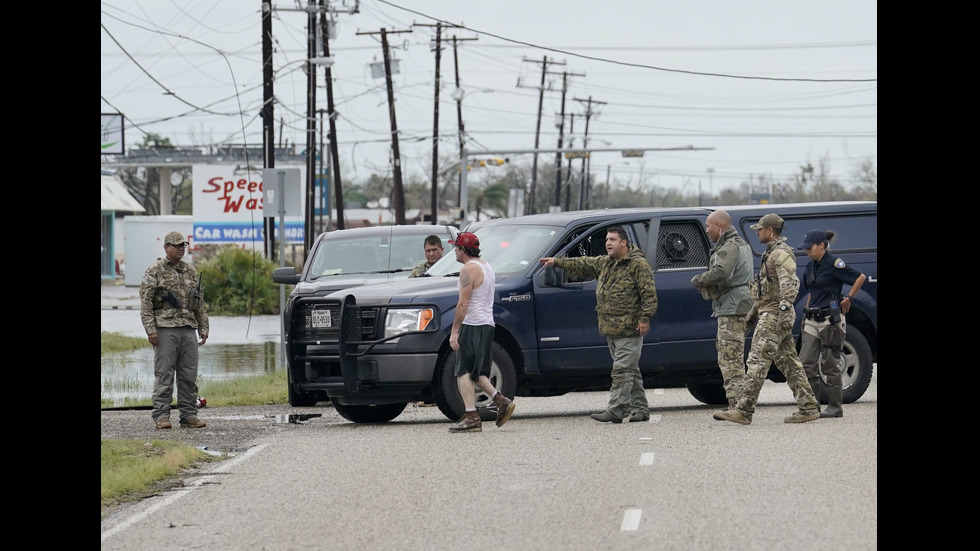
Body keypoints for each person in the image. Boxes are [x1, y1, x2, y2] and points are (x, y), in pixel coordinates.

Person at [539, 226, 658, 423]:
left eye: (612, 239)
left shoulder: (638, 265)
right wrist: (557, 262)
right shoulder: (606, 263)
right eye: (606, 240)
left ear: (624, 242)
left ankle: (616, 409)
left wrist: (645, 318)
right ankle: (640, 409)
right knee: (630, 369)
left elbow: (649, 295)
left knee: (621, 370)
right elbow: (583, 263)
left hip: (630, 328)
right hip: (611, 329)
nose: (608, 243)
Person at [715, 213, 820, 425]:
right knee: (789, 362)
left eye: (760, 229)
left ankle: (743, 410)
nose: (758, 233)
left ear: (770, 231)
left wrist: (782, 309)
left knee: (756, 361)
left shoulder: (780, 253)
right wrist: (754, 311)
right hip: (769, 312)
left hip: (775, 316)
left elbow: (790, 283)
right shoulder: (770, 253)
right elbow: (767, 290)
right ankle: (808, 406)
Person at [139, 231, 210, 430]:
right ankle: (162, 416)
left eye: (183, 245)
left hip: (188, 328)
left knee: (188, 375)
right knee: (165, 374)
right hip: (164, 329)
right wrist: (150, 330)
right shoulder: (155, 270)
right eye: (176, 245)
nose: (180, 248)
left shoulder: (190, 271)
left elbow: (199, 302)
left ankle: (188, 415)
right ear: (166, 247)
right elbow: (145, 303)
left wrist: (203, 327)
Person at [446, 232, 515, 432]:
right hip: (487, 323)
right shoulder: (486, 266)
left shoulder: (468, 270)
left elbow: (463, 304)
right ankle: (501, 401)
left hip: (472, 324)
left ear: (463, 249)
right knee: (477, 373)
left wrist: (455, 331)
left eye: (456, 247)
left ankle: (471, 417)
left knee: (462, 372)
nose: (454, 251)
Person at [798, 229, 867, 418]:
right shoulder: (811, 266)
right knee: (806, 363)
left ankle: (835, 407)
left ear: (821, 245)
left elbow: (860, 277)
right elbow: (813, 289)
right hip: (812, 318)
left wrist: (849, 298)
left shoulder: (834, 264)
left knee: (830, 364)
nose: (807, 251)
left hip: (830, 321)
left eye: (809, 248)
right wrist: (806, 310)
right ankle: (812, 406)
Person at [690, 210, 754, 411]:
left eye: (709, 226)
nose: (707, 230)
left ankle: (738, 406)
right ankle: (739, 404)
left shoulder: (729, 246)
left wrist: (698, 280)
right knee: (732, 356)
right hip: (737, 304)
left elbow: (722, 272)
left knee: (729, 358)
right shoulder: (740, 243)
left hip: (733, 307)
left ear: (719, 226)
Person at [410, 234, 445, 407]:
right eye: (428, 251)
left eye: (434, 250)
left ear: (442, 250)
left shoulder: (450, 267)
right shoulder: (419, 270)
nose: (431, 254)